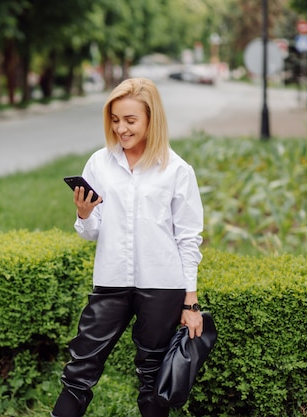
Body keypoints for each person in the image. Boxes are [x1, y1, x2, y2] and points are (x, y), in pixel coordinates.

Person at [52, 77, 205, 417]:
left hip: (161, 286)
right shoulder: (99, 163)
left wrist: (190, 302)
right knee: (80, 368)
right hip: (111, 282)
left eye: (130, 120)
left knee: (152, 378)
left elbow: (188, 239)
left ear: (152, 119)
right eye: (115, 119)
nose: (121, 128)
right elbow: (89, 233)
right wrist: (84, 213)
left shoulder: (178, 171)